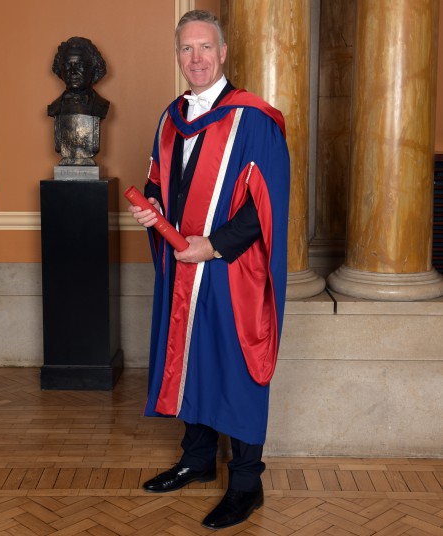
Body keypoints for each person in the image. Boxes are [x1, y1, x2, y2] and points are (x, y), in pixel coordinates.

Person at [129, 10, 290, 530]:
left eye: (204, 48)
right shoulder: (170, 118)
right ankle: (198, 459)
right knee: (192, 358)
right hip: (184, 268)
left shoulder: (255, 119)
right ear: (178, 57)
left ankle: (246, 483)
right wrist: (149, 208)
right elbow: (159, 183)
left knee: (236, 368)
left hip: (231, 271)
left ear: (222, 54)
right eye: (185, 49)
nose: (195, 58)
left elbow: (265, 206)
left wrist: (214, 246)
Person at [48, 36, 109, 119]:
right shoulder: (54, 108)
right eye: (67, 65)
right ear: (60, 69)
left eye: (80, 65)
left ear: (94, 68)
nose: (73, 71)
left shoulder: (101, 106)